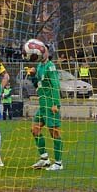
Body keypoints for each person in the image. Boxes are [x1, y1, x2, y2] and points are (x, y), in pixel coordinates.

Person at [28, 39, 63, 171]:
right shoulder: (40, 67)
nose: (44, 51)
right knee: (35, 130)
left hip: (50, 105)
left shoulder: (50, 66)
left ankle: (59, 163)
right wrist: (32, 76)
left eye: (46, 49)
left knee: (54, 133)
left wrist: (56, 104)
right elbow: (38, 85)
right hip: (42, 106)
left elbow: (55, 85)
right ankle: (44, 159)